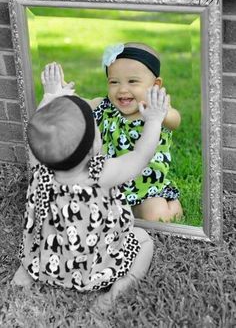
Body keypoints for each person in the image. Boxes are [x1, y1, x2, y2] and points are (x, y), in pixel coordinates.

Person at [12, 63, 169, 310]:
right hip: (93, 268)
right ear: (94, 146)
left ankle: (25, 273)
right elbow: (140, 156)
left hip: (45, 259)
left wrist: (52, 94)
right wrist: (154, 120)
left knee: (35, 243)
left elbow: (40, 131)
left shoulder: (40, 166)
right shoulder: (100, 174)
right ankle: (115, 292)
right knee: (144, 241)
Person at [58, 42, 183, 222]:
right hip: (110, 184)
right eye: (114, 82)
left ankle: (172, 205)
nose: (122, 89)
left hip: (147, 188)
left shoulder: (156, 110)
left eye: (132, 81)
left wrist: (159, 115)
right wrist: (65, 92)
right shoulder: (104, 106)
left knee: (155, 216)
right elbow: (81, 106)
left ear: (155, 85)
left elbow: (175, 120)